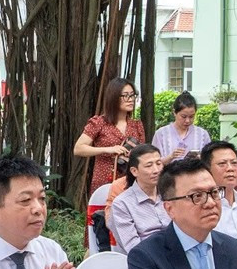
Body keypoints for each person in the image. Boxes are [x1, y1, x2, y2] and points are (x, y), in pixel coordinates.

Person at [75, 80, 146, 252]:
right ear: (114, 97)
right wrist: (109, 149)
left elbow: (143, 153)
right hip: (104, 181)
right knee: (99, 228)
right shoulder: (99, 122)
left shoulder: (136, 125)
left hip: (128, 182)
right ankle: (91, 267)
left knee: (128, 225)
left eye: (133, 95)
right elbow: (79, 148)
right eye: (126, 95)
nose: (131, 99)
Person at [103, 144, 169, 253]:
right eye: (149, 166)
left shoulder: (170, 195)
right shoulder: (122, 204)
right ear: (134, 171)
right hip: (146, 262)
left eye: (158, 163)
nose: (156, 170)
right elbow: (133, 248)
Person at [151, 91, 210, 159]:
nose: (187, 121)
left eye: (191, 116)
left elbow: (209, 160)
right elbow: (154, 162)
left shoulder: (202, 134)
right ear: (174, 113)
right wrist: (170, 157)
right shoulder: (161, 134)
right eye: (183, 116)